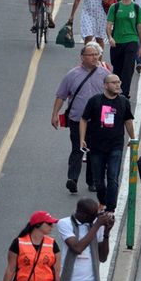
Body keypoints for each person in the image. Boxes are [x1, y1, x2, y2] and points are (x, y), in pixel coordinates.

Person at [51, 44, 110, 194]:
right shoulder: (72, 75)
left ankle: (93, 181)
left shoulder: (105, 75)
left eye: (96, 54)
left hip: (97, 122)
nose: (94, 57)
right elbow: (61, 95)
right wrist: (54, 114)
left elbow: (112, 97)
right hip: (76, 120)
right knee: (77, 148)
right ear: (82, 57)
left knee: (94, 151)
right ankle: (73, 179)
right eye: (90, 55)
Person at [78, 71, 134, 212]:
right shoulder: (95, 101)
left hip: (116, 145)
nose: (117, 85)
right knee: (99, 181)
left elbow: (128, 121)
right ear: (105, 85)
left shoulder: (123, 102)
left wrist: (133, 138)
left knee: (113, 178)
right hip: (96, 146)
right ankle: (102, 200)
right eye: (114, 82)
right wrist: (82, 139)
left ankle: (111, 208)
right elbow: (84, 119)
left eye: (119, 82)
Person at [105, 0, 141, 98]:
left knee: (128, 69)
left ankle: (125, 94)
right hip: (117, 42)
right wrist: (110, 37)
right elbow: (109, 24)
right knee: (117, 68)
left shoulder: (137, 8)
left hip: (131, 41)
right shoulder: (115, 7)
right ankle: (115, 91)